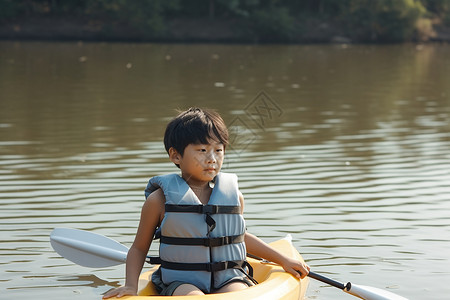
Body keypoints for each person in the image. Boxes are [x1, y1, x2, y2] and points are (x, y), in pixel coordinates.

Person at [103, 107, 309, 298]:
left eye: (218, 150)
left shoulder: (234, 196)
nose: (212, 159)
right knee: (193, 297)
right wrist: (130, 285)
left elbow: (237, 237)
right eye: (202, 150)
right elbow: (139, 248)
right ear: (175, 155)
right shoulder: (158, 201)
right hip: (182, 281)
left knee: (237, 293)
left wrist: (283, 259)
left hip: (228, 277)